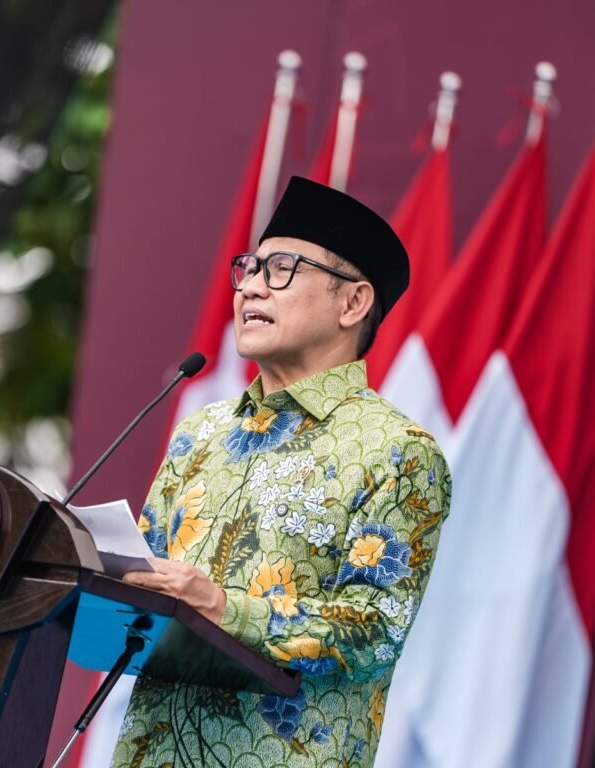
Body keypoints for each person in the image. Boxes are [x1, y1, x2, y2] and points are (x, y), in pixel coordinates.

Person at [113, 176, 452, 767]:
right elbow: (140, 585)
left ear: (353, 303)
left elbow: (374, 632)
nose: (250, 287)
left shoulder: (398, 450)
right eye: (248, 268)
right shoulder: (200, 432)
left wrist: (225, 608)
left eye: (281, 270)